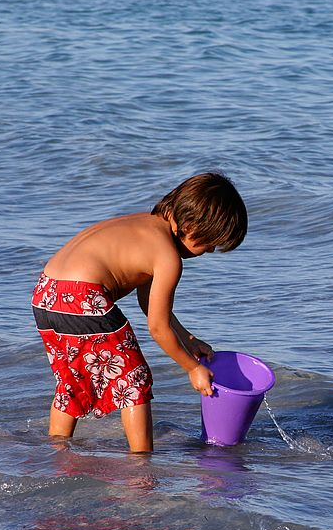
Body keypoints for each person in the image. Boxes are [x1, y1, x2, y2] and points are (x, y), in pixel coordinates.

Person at [31, 172, 247, 452]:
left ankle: (57, 448)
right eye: (211, 243)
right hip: (84, 295)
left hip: (46, 291)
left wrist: (187, 339)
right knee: (133, 378)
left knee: (74, 377)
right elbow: (157, 328)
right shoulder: (168, 257)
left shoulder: (143, 225)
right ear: (194, 226)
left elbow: (149, 303)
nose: (209, 251)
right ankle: (140, 462)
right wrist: (193, 368)